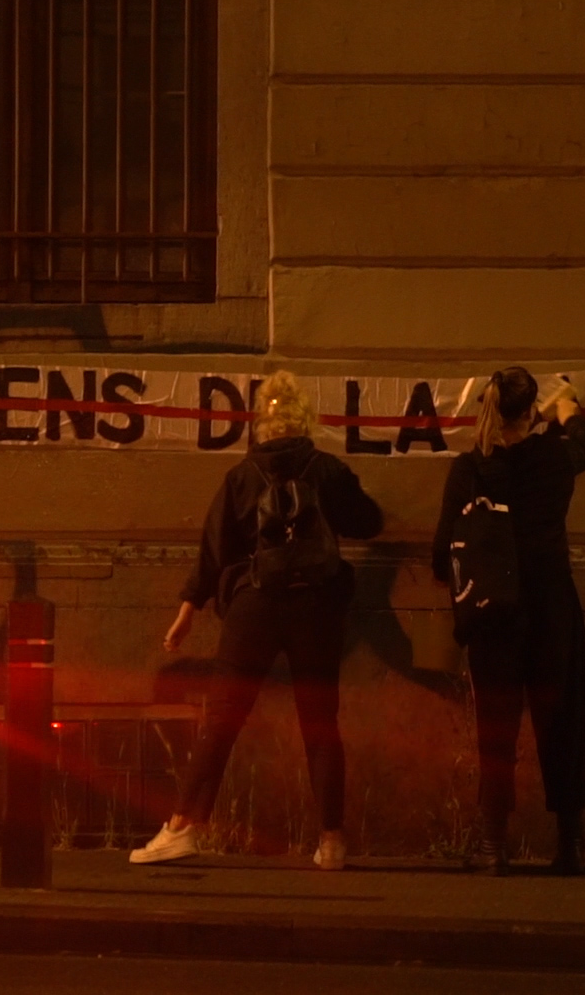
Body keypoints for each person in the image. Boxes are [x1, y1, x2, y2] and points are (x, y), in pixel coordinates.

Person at [132, 371, 384, 870]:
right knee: (320, 724)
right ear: (304, 420)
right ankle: (331, 841)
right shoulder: (327, 469)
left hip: (256, 606)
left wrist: (186, 612)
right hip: (315, 608)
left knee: (223, 720)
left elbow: (213, 550)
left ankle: (181, 828)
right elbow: (368, 522)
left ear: (260, 426)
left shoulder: (242, 477)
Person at [431, 368, 585, 875]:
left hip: (494, 614)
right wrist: (566, 410)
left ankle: (493, 844)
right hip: (552, 606)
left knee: (496, 727)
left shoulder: (470, 469)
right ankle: (570, 844)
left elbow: (442, 555)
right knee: (563, 723)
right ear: (531, 411)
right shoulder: (553, 459)